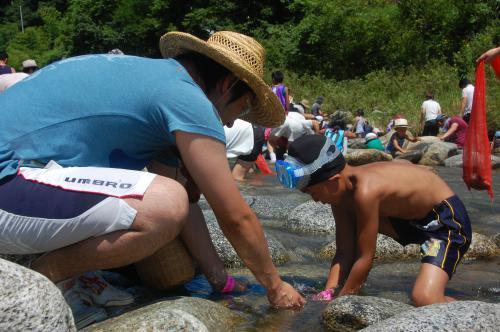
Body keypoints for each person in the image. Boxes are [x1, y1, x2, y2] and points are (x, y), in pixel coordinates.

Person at [0, 31, 305, 326]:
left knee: (170, 251)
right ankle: (40, 277)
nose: (236, 119)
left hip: (27, 182)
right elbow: (233, 214)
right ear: (227, 84)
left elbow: (186, 202)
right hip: (10, 180)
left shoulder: (160, 82)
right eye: (244, 105)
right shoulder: (189, 99)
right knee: (164, 205)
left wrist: (220, 280)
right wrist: (275, 286)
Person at [275, 135, 471, 306]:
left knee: (423, 299)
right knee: (351, 220)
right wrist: (328, 293)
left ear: (334, 180)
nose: (315, 200)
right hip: (410, 221)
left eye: (313, 192)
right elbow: (344, 251)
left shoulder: (366, 191)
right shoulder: (341, 197)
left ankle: (475, 311)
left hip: (444, 221)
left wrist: (342, 302)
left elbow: (364, 258)